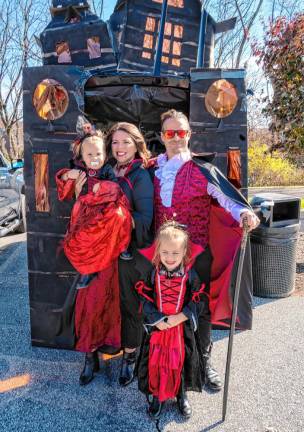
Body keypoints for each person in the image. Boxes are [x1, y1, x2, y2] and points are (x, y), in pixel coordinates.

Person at [147, 109, 259, 406]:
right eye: (169, 133)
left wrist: (244, 212)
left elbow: (227, 198)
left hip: (196, 253)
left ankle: (204, 361)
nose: (175, 138)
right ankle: (163, 367)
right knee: (166, 307)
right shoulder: (153, 168)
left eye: (181, 132)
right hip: (165, 256)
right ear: (161, 136)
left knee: (200, 309)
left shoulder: (201, 170)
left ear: (189, 134)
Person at [56, 123, 132, 386]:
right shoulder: (80, 174)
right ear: (82, 155)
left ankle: (114, 349)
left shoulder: (111, 174)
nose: (95, 159)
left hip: (108, 244)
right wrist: (68, 177)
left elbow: (118, 199)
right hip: (88, 244)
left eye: (99, 154)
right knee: (88, 304)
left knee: (110, 301)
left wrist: (98, 195)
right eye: (90, 155)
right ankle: (89, 357)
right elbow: (66, 189)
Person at [136, 221, 209, 419]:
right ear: (158, 250)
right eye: (165, 252)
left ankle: (181, 394)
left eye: (175, 253)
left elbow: (199, 297)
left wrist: (182, 316)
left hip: (179, 328)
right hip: (159, 327)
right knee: (156, 361)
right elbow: (144, 296)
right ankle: (158, 396)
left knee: (180, 361)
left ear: (184, 251)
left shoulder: (189, 275)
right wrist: (156, 319)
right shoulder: (153, 273)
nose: (169, 258)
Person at [105, 122, 154, 386]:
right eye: (115, 142)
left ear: (136, 145)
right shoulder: (107, 170)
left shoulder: (139, 176)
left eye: (126, 142)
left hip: (132, 253)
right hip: (107, 252)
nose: (120, 147)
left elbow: (145, 219)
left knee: (129, 307)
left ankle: (130, 357)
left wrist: (114, 218)